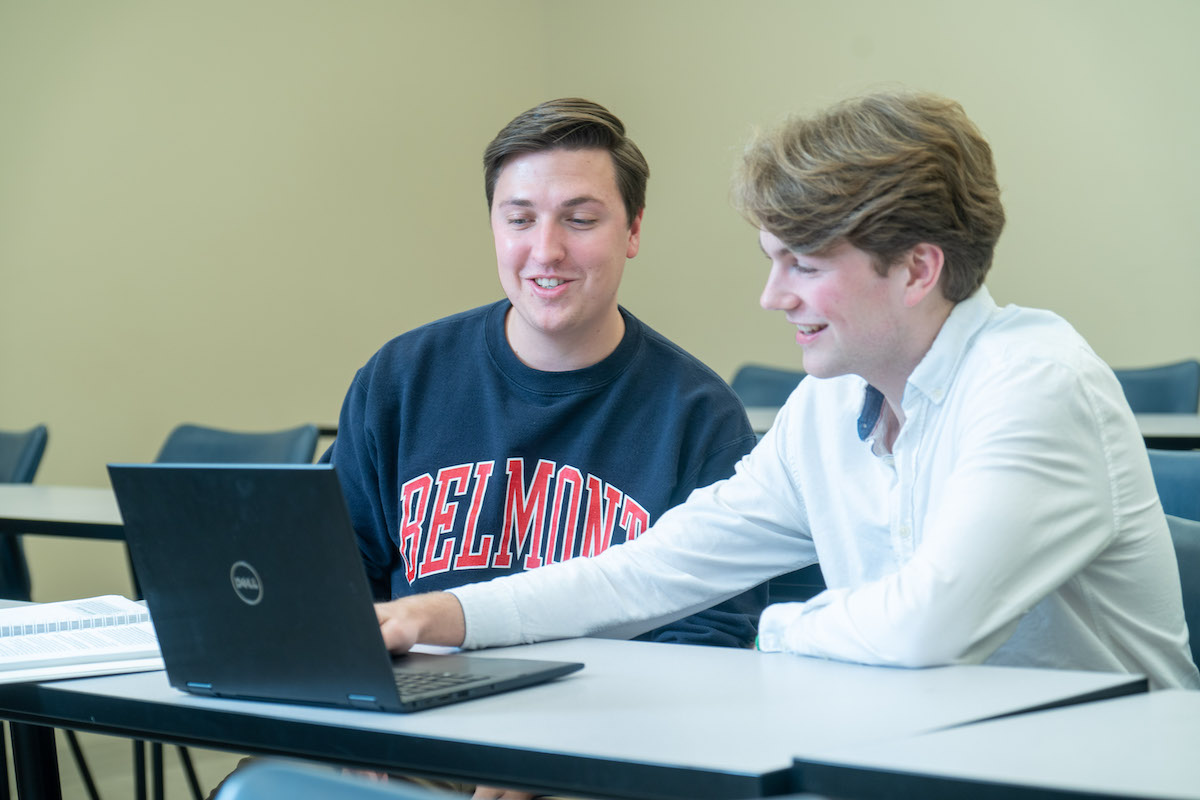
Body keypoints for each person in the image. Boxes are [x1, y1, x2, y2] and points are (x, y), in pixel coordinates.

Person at [375, 90, 1200, 693]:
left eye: (803, 264)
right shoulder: (830, 405)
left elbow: (924, 628)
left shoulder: (1035, 384)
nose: (774, 297)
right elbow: (647, 571)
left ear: (917, 268)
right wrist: (437, 614)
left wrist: (776, 629)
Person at [326, 97, 764, 646]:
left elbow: (712, 636)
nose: (546, 250)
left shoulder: (700, 415)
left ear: (632, 231)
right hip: (426, 713)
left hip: (601, 725)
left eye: (580, 220)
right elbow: (326, 576)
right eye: (520, 220)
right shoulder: (399, 379)